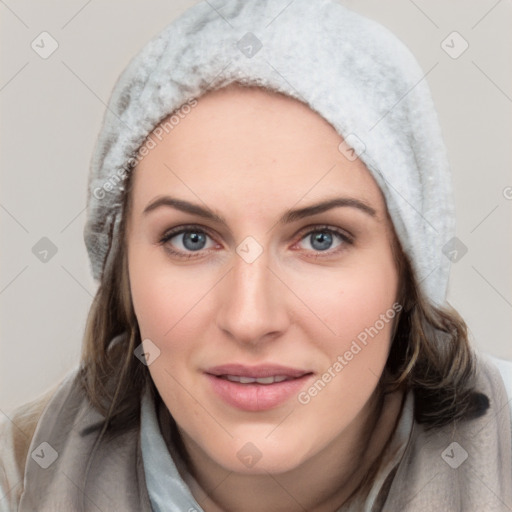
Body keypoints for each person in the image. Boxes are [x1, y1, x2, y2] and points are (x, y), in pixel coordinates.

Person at [1, 1, 511, 511]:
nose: (249, 319)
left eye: (321, 238)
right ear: (123, 268)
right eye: (191, 238)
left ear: (407, 271)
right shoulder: (18, 479)